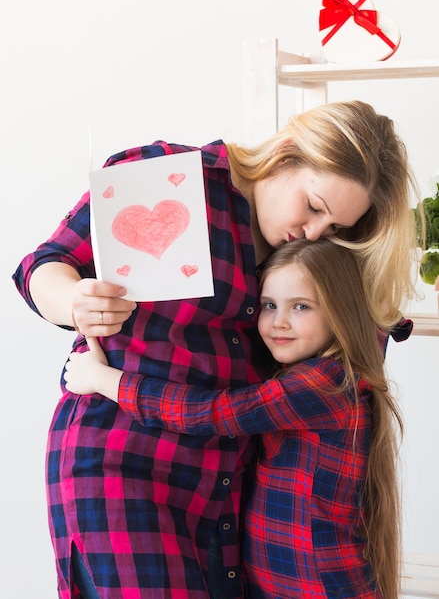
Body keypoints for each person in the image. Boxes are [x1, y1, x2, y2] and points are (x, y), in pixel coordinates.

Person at [13, 100, 419, 599]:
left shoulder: (315, 254)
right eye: (314, 207)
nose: (315, 233)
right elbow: (43, 265)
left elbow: (349, 349)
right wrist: (73, 302)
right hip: (123, 463)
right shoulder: (168, 180)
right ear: (286, 153)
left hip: (227, 491)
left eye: (334, 228)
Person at [64, 237, 403, 599]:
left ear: (342, 311)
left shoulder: (329, 382)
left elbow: (216, 413)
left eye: (301, 307)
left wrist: (106, 380)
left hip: (324, 588)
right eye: (269, 305)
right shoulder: (296, 372)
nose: (279, 322)